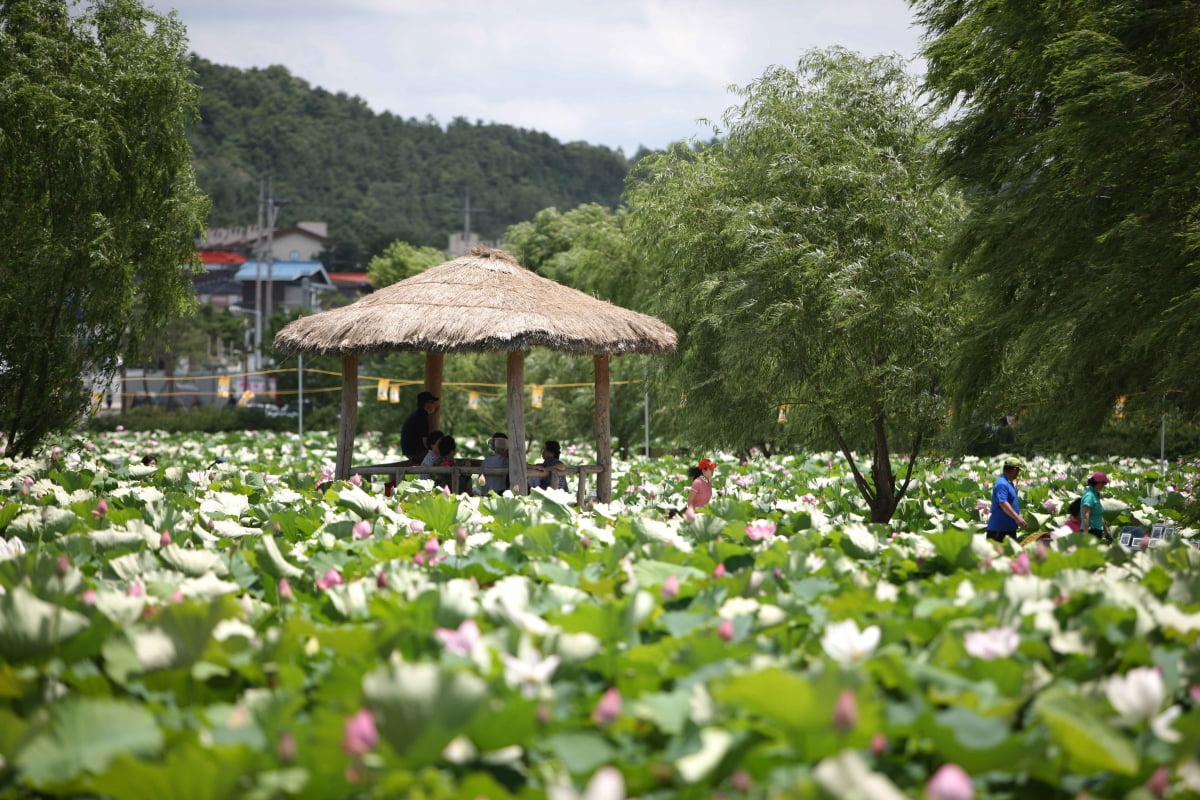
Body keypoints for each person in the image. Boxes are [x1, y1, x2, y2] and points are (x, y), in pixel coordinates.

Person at [986, 456, 1028, 542]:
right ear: (1014, 469)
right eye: (1018, 470)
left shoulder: (1008, 483)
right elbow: (1003, 503)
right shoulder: (1002, 484)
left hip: (1008, 529)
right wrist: (1017, 518)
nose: (1018, 473)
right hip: (999, 530)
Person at [400, 391, 439, 462]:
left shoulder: (418, 414)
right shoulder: (421, 416)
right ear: (427, 404)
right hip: (416, 452)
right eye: (432, 402)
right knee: (442, 460)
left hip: (410, 451)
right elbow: (424, 440)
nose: (435, 405)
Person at [1080, 471, 1111, 542]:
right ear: (1098, 483)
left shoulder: (1095, 495)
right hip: (1091, 531)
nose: (1104, 485)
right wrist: (1086, 533)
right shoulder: (1089, 496)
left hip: (1096, 531)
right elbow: (1086, 515)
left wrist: (1106, 531)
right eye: (1104, 483)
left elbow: (1099, 516)